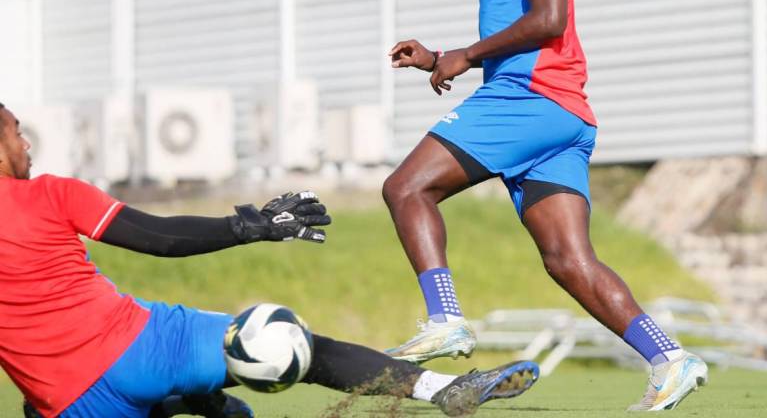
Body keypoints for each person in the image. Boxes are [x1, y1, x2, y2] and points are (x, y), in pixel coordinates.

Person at [382, 0, 708, 412]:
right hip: (559, 114)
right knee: (567, 260)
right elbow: (523, 32)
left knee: (406, 187)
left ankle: (446, 318)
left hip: (531, 100)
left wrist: (466, 54)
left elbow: (551, 19)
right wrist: (437, 59)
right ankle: (670, 358)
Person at [0, 102, 537, 418]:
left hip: (66, 402)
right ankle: (443, 391)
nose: (27, 144)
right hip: (145, 347)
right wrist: (250, 225)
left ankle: (201, 403)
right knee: (295, 347)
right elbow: (158, 236)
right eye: (18, 132)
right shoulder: (48, 193)